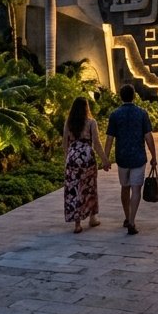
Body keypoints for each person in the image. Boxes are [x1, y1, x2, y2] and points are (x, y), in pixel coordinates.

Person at [105, 83, 157, 235]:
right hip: (138, 157)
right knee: (136, 189)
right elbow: (148, 137)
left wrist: (105, 159)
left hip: (122, 157)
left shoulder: (115, 114)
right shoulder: (142, 113)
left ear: (121, 96)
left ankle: (127, 217)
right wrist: (154, 156)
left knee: (124, 187)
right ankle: (132, 221)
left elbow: (109, 139)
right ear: (134, 96)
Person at [63, 96, 109, 233]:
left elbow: (64, 144)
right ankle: (92, 217)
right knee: (89, 188)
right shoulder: (91, 122)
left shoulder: (68, 123)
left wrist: (66, 160)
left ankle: (77, 224)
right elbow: (97, 144)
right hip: (86, 158)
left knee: (74, 190)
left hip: (72, 158)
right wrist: (105, 160)